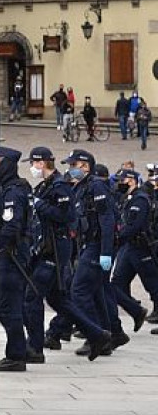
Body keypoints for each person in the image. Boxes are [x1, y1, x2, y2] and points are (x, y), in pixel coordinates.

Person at [23, 147, 111, 357]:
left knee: (32, 296)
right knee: (58, 300)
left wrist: (40, 205)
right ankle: (97, 334)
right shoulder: (47, 185)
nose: (32, 168)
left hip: (54, 249)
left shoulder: (60, 186)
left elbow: (67, 215)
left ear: (41, 163)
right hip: (47, 247)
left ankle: (34, 348)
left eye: (33, 163)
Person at [64, 150, 117, 360]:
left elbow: (106, 219)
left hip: (96, 246)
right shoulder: (82, 187)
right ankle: (106, 336)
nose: (70, 168)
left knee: (79, 291)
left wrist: (106, 251)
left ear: (85, 166)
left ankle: (94, 335)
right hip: (87, 244)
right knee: (95, 293)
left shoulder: (96, 185)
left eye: (74, 164)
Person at [0, 147, 32, 372]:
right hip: (5, 252)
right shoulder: (3, 187)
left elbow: (12, 224)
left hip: (11, 252)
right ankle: (20, 344)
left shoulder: (14, 191)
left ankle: (16, 355)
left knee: (9, 304)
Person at [109, 168, 156, 334]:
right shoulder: (127, 198)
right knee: (116, 284)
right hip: (129, 247)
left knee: (153, 285)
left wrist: (116, 236)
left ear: (131, 180)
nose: (119, 184)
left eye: (122, 181)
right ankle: (136, 311)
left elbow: (134, 226)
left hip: (141, 247)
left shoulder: (140, 199)